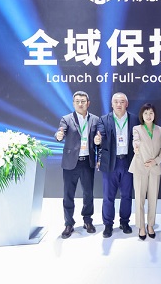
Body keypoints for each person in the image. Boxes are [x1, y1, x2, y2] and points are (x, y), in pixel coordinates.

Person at [55, 90, 100, 239]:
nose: (80, 104)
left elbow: (99, 140)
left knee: (88, 194)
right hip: (71, 163)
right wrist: (58, 135)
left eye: (83, 101)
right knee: (68, 194)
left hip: (87, 161)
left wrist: (98, 142)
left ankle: (87, 220)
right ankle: (69, 223)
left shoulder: (95, 119)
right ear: (73, 104)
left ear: (88, 103)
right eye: (77, 101)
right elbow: (60, 132)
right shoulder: (66, 119)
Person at [95, 92, 140, 238]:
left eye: (122, 102)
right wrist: (98, 140)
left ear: (127, 104)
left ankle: (124, 222)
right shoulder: (104, 119)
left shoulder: (134, 119)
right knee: (108, 196)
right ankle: (108, 224)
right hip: (110, 163)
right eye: (116, 102)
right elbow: (100, 136)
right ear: (112, 104)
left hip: (128, 161)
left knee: (126, 195)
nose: (119, 104)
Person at [129, 103, 161, 240]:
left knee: (153, 199)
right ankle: (141, 226)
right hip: (140, 166)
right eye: (145, 113)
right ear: (141, 115)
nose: (148, 116)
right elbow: (136, 141)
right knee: (139, 199)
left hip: (154, 167)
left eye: (151, 113)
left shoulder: (160, 130)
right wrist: (136, 147)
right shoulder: (137, 129)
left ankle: (150, 225)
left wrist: (155, 161)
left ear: (154, 115)